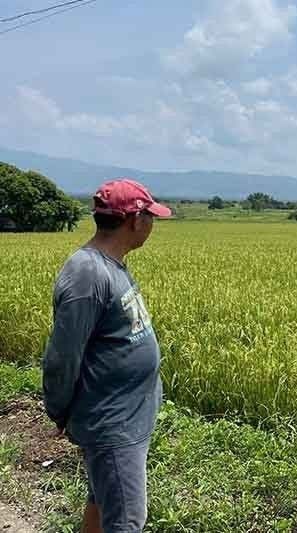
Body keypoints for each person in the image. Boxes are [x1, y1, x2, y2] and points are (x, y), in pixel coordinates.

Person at [42, 179, 171, 533]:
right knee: (127, 521)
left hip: (126, 416)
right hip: (112, 424)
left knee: (100, 501)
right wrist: (59, 410)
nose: (152, 225)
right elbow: (62, 358)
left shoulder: (110, 265)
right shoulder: (88, 274)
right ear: (134, 220)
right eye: (150, 216)